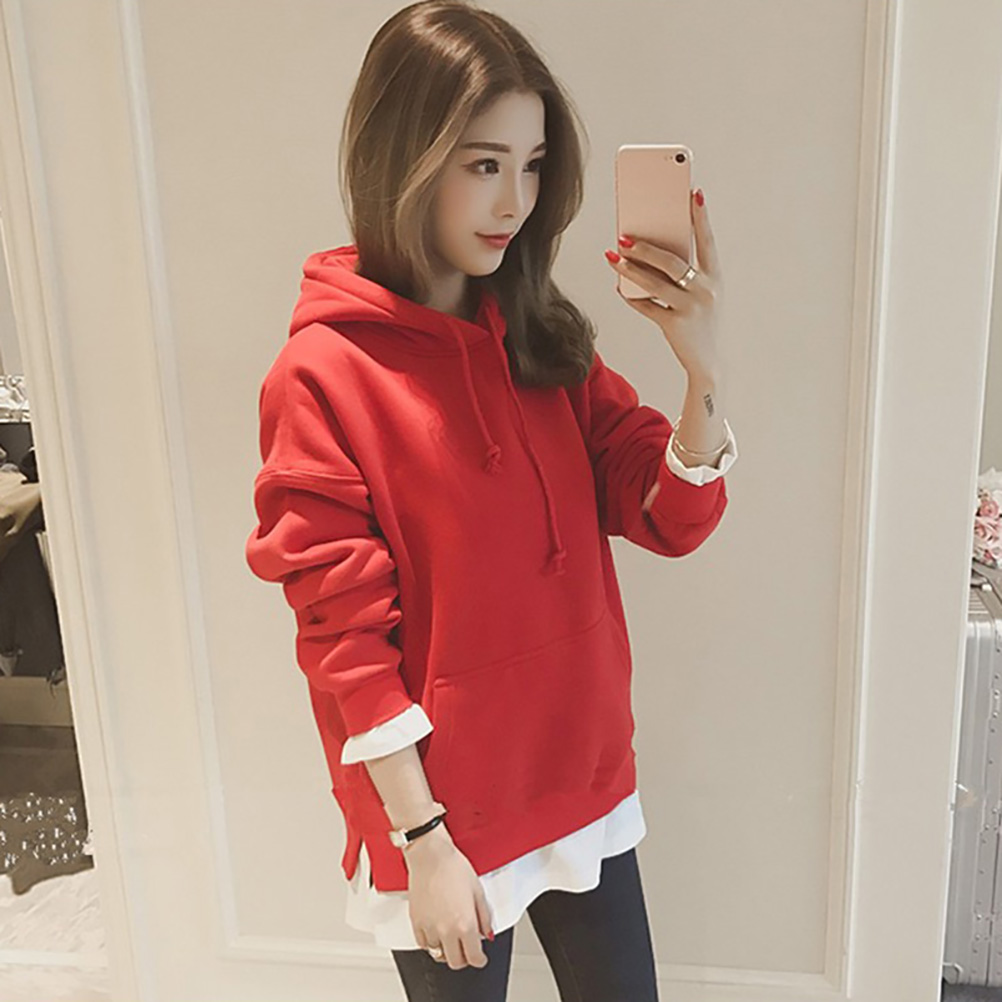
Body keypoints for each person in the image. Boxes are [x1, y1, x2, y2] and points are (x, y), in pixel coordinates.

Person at [244, 2, 738, 998]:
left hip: (580, 773)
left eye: (533, 164)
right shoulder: (322, 376)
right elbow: (344, 640)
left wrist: (702, 367)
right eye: (483, 163)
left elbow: (665, 512)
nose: (514, 200)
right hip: (444, 818)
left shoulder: (540, 332)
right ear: (404, 156)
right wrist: (421, 840)